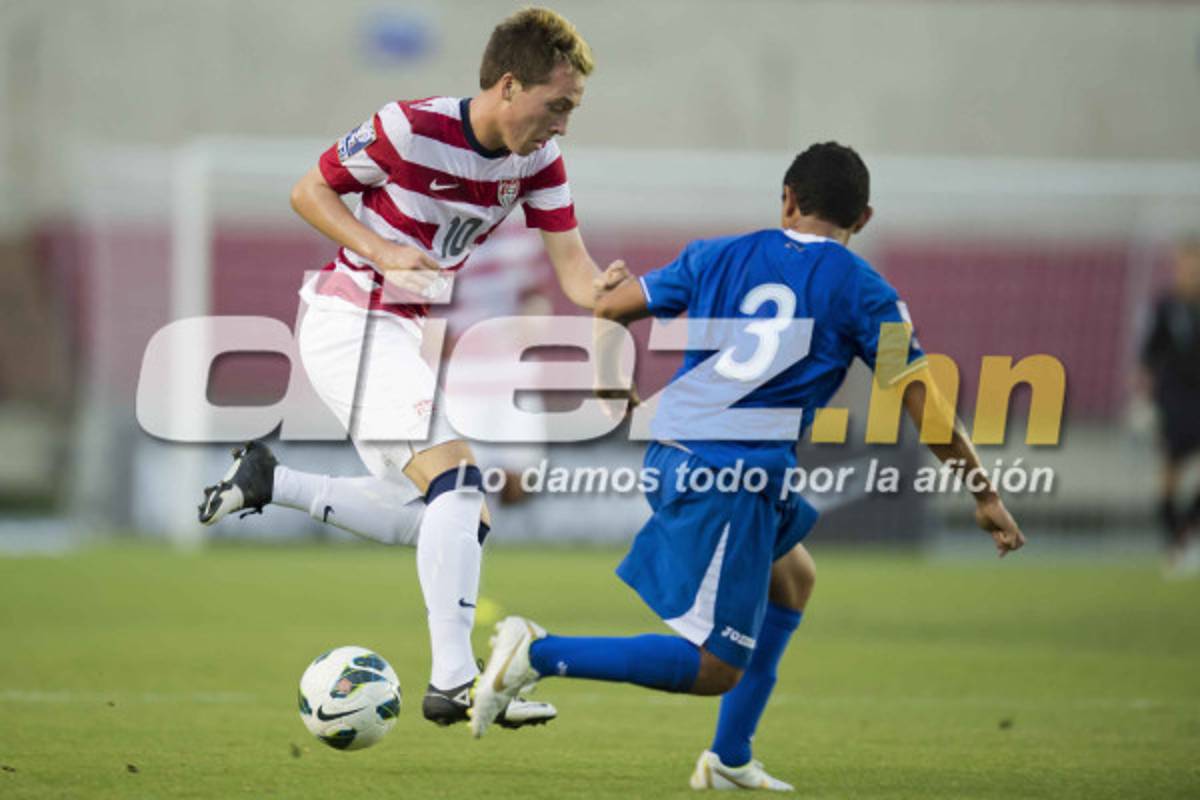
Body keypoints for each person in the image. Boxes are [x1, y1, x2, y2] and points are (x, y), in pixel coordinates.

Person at [468, 143, 1027, 791]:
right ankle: (535, 652)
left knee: (792, 581)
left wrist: (608, 386)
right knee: (716, 668)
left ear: (786, 197)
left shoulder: (715, 254)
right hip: (729, 474)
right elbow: (924, 403)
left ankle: (729, 759)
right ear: (863, 219)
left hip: (692, 454)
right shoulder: (872, 295)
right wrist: (984, 493)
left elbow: (611, 306)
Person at [196, 7, 628, 728]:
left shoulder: (540, 162)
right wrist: (383, 249)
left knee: (453, 515)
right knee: (458, 486)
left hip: (399, 336)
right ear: (511, 86)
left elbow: (576, 272)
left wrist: (613, 296)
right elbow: (309, 191)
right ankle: (456, 682)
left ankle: (272, 481)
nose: (562, 125)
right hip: (349, 323)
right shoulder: (409, 127)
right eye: (558, 106)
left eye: (573, 110)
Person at [1140, 238, 1200, 575]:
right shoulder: (1166, 306)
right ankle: (1176, 545)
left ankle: (1187, 539)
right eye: (1185, 264)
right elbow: (1150, 352)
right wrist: (1142, 396)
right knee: (1169, 479)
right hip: (1174, 400)